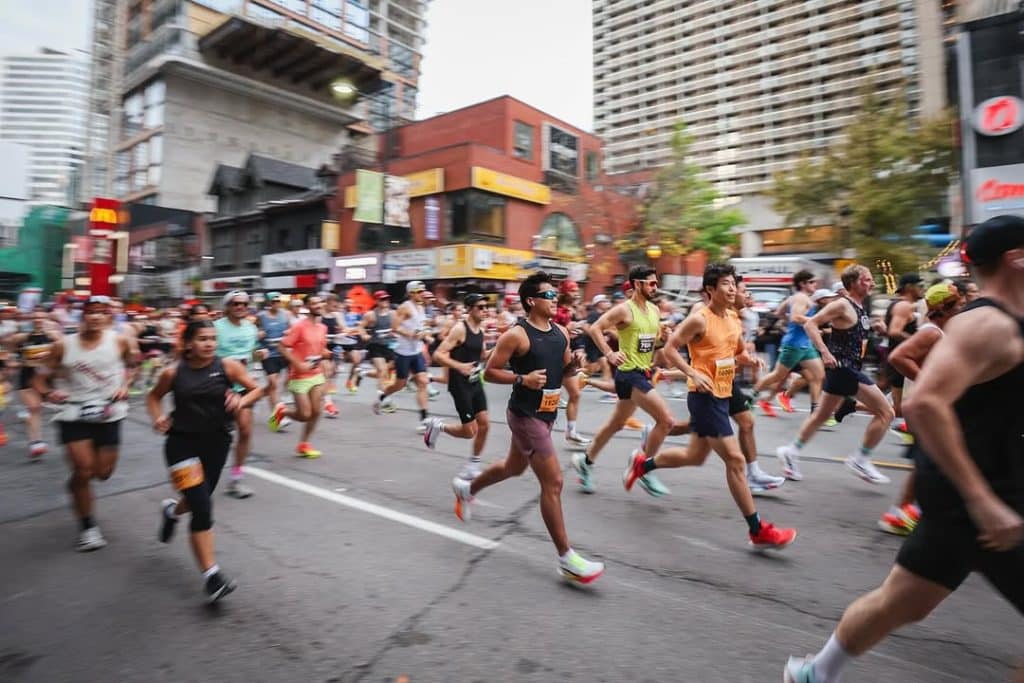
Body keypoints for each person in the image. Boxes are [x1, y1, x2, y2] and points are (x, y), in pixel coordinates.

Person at [784, 215, 1024, 683]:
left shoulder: (1007, 322)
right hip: (981, 497)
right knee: (901, 600)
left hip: (980, 491)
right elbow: (927, 401)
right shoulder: (986, 325)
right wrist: (982, 501)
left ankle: (814, 673)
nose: (873, 281)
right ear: (1017, 259)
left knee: (902, 601)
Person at [626, 264, 797, 549]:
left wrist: (751, 360)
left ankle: (644, 464)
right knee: (735, 460)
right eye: (726, 284)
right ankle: (757, 530)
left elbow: (737, 352)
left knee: (695, 456)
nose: (732, 289)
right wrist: (692, 372)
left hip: (725, 390)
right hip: (705, 397)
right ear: (710, 289)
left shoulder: (732, 317)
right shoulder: (699, 319)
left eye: (734, 284)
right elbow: (669, 349)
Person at [451, 272, 604, 584]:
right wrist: (522, 378)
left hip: (546, 415)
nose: (555, 300)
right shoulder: (516, 335)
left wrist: (576, 364)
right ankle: (567, 559)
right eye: (548, 295)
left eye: (555, 295)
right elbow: (489, 372)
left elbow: (565, 371)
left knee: (513, 467)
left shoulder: (561, 332)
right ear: (531, 301)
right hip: (524, 415)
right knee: (554, 482)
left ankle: (467, 489)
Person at [148, 320, 263, 603]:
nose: (209, 343)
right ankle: (212, 576)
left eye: (212, 338)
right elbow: (153, 397)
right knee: (202, 506)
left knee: (198, 498)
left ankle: (172, 512)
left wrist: (241, 401)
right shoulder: (173, 373)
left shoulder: (227, 367)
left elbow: (256, 389)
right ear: (188, 343)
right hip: (181, 445)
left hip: (217, 444)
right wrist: (158, 417)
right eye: (202, 339)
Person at [33, 295, 139, 551]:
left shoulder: (119, 341)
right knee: (84, 470)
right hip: (73, 412)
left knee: (102, 473)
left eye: (101, 312)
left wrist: (125, 385)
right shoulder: (63, 345)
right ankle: (88, 528)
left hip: (109, 412)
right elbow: (38, 379)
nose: (95, 316)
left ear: (108, 317)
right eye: (90, 311)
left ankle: (75, 484)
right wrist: (48, 393)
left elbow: (134, 365)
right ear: (83, 316)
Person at [776, 265, 896, 484]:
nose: (872, 283)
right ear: (855, 282)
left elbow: (854, 333)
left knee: (821, 416)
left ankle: (790, 452)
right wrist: (824, 351)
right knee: (886, 412)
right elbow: (811, 324)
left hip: (846, 368)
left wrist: (876, 328)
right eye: (868, 279)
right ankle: (860, 459)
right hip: (843, 367)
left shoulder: (859, 307)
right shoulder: (842, 304)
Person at [572, 265, 672, 496]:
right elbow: (595, 328)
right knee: (666, 420)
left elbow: (650, 344)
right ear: (637, 284)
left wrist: (662, 341)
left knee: (615, 424)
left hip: (643, 371)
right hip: (629, 373)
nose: (655, 287)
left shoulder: (655, 311)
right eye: (651, 283)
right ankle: (643, 467)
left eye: (656, 283)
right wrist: (609, 353)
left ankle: (585, 461)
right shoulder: (623, 310)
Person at [875, 282, 963, 536]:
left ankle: (902, 511)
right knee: (936, 459)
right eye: (957, 303)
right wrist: (927, 378)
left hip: (933, 404)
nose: (962, 306)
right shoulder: (932, 332)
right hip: (928, 405)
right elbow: (898, 357)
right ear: (944, 307)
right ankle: (905, 512)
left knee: (929, 459)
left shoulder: (942, 330)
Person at [424, 293, 491, 480]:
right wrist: (459, 366)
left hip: (475, 381)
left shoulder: (481, 329)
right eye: (481, 307)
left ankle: (473, 464)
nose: (485, 310)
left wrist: (504, 347)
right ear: (469, 309)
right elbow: (438, 355)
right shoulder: (459, 329)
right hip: (460, 384)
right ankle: (438, 427)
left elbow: (483, 356)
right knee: (470, 432)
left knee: (485, 424)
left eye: (487, 306)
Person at [752, 270, 825, 417]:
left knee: (818, 375)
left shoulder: (795, 297)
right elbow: (796, 317)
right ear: (802, 284)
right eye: (811, 282)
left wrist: (790, 324)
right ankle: (750, 399)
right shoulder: (801, 298)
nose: (815, 285)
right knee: (777, 376)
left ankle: (815, 412)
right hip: (794, 344)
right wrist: (813, 323)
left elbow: (779, 312)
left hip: (805, 344)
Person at [269, 294, 329, 457]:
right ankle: (281, 411)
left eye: (320, 302)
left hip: (316, 374)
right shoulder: (299, 327)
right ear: (307, 307)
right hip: (300, 376)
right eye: (314, 303)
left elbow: (320, 349)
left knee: (317, 412)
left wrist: (327, 353)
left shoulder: (323, 328)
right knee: (304, 415)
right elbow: (281, 346)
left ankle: (304, 444)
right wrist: (298, 364)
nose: (318, 305)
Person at [214, 290, 260, 499]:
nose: (240, 307)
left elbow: (252, 354)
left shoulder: (251, 328)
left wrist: (258, 355)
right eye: (235, 304)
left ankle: (235, 479)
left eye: (243, 304)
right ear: (227, 306)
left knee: (246, 430)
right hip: (217, 386)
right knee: (213, 437)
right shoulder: (216, 328)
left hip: (242, 387)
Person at [373, 281, 433, 432]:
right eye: (419, 291)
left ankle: (424, 419)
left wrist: (426, 334)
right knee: (400, 384)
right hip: (403, 352)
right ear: (411, 293)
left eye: (423, 291)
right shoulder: (405, 307)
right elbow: (394, 327)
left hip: (416, 351)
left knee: (422, 382)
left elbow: (423, 325)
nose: (422, 294)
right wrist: (411, 334)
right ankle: (382, 396)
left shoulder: (421, 306)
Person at [12, 308, 62, 458]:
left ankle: (25, 415)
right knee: (34, 408)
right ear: (31, 319)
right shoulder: (22, 336)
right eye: (35, 317)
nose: (38, 320)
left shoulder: (53, 336)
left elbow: (64, 348)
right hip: (27, 375)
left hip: (46, 377)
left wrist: (51, 350)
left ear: (46, 319)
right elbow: (10, 347)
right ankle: (36, 442)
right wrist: (17, 359)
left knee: (40, 407)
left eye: (41, 317)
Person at [880, 273, 925, 425]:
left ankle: (852, 406)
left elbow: (889, 330)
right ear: (909, 287)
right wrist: (917, 342)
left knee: (901, 406)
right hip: (901, 362)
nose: (923, 289)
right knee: (900, 408)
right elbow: (894, 331)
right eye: (920, 286)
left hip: (901, 360)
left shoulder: (902, 305)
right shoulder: (903, 306)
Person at [256, 292, 293, 424]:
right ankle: (277, 418)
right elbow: (255, 333)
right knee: (273, 384)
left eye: (278, 301)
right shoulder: (261, 316)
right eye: (274, 301)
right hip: (269, 354)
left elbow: (292, 330)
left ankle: (255, 397)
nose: (277, 304)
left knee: (289, 379)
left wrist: (289, 334)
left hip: (284, 352)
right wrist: (259, 339)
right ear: (268, 303)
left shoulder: (286, 314)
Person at [359, 291, 397, 400]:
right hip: (376, 345)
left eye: (387, 299)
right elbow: (360, 327)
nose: (385, 301)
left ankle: (363, 373)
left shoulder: (394, 313)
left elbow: (400, 325)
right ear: (376, 301)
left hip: (391, 344)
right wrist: (364, 335)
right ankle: (383, 397)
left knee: (387, 370)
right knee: (382, 370)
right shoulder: (370, 315)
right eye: (382, 299)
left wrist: (396, 332)